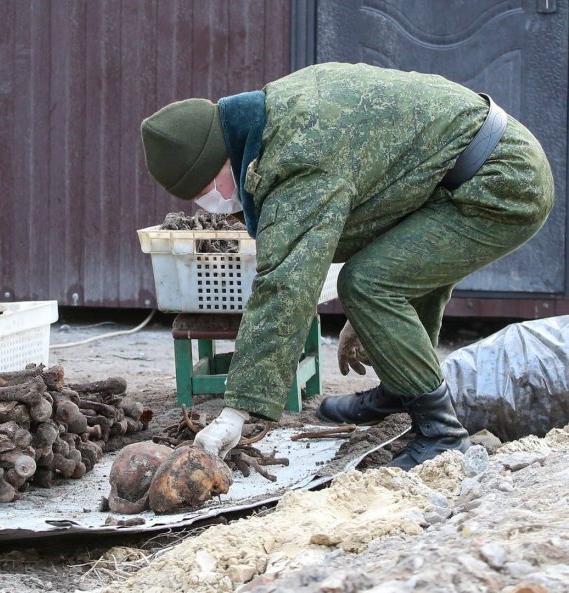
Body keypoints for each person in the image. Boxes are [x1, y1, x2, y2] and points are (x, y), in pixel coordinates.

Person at [140, 62, 554, 471]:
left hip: (502, 183)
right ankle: (400, 387)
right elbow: (380, 187)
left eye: (205, 190)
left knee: (367, 285)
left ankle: (442, 435)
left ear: (222, 159)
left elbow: (285, 284)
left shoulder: (297, 153)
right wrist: (374, 326)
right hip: (454, 174)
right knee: (377, 281)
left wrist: (238, 412)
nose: (209, 203)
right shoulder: (278, 110)